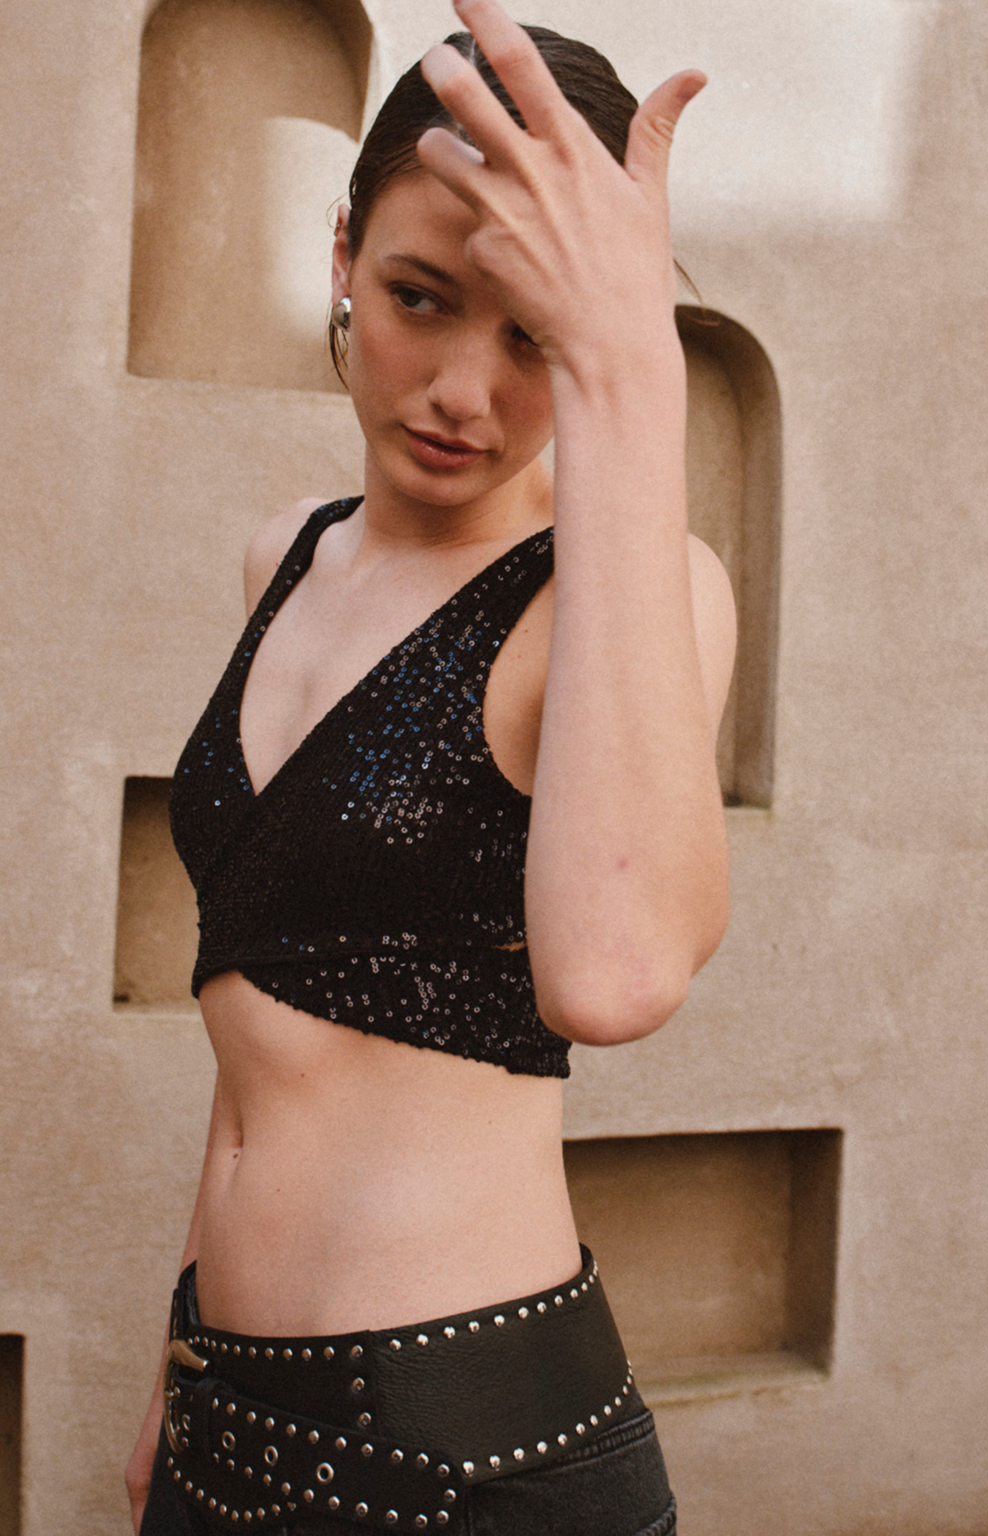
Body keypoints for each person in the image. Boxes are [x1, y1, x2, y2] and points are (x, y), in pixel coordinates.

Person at [126, 0, 736, 1530]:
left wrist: (630, 376)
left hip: (473, 1453)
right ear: (342, 254)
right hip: (221, 1410)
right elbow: (258, 1015)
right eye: (419, 297)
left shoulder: (628, 595)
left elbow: (615, 975)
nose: (465, 391)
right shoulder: (286, 555)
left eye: (533, 334)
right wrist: (177, 1361)